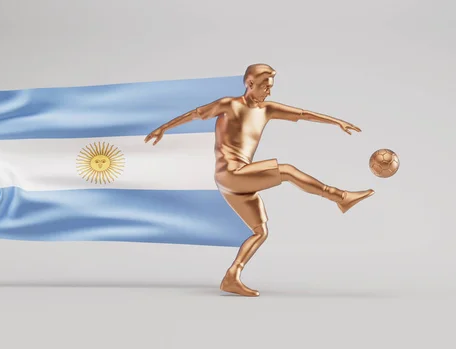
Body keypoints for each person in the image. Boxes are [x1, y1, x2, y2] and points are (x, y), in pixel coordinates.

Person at [144, 64, 374, 297]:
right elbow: (196, 114)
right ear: (250, 84)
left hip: (236, 182)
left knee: (260, 231)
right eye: (265, 86)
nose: (269, 92)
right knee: (285, 170)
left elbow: (303, 114)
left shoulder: (267, 110)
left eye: (271, 87)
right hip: (231, 174)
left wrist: (336, 122)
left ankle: (232, 276)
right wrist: (164, 128)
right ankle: (340, 197)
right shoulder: (230, 104)